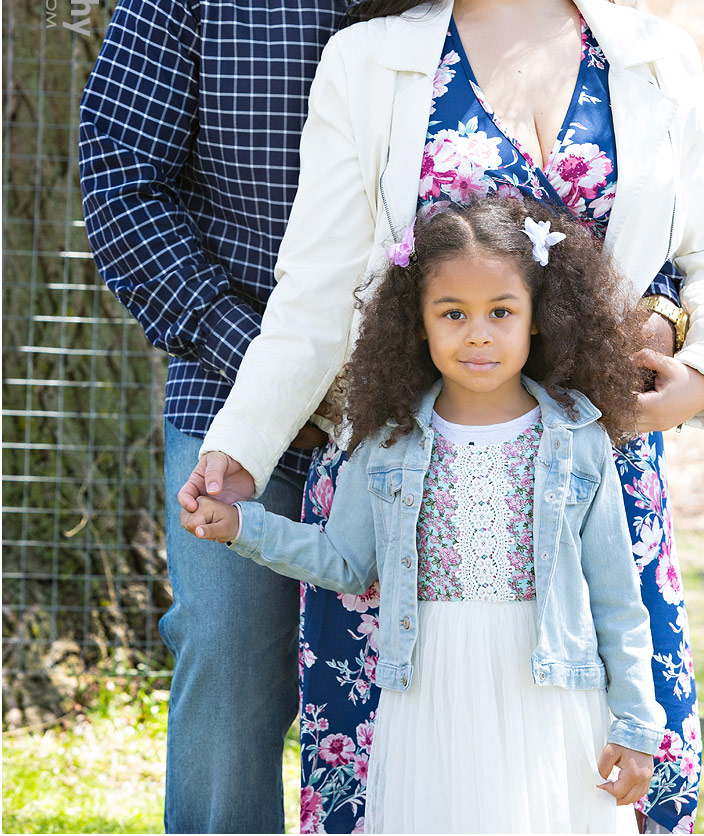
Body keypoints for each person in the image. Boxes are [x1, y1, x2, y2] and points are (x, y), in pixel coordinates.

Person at [182, 0, 704, 834]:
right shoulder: (371, 61)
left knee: (608, 774)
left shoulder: (653, 57)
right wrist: (241, 448)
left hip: (594, 476)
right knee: (415, 785)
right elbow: (314, 295)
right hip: (409, 494)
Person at [78, 0, 439, 835]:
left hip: (425, 412)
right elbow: (123, 187)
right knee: (231, 666)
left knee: (417, 687)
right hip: (231, 399)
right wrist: (271, 365)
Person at [183, 195, 668, 835]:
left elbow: (616, 595)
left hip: (550, 691)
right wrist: (245, 527)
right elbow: (347, 562)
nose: (478, 333)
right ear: (418, 323)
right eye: (453, 313)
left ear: (537, 319)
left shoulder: (577, 436)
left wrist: (635, 724)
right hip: (432, 690)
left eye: (501, 312)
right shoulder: (389, 440)